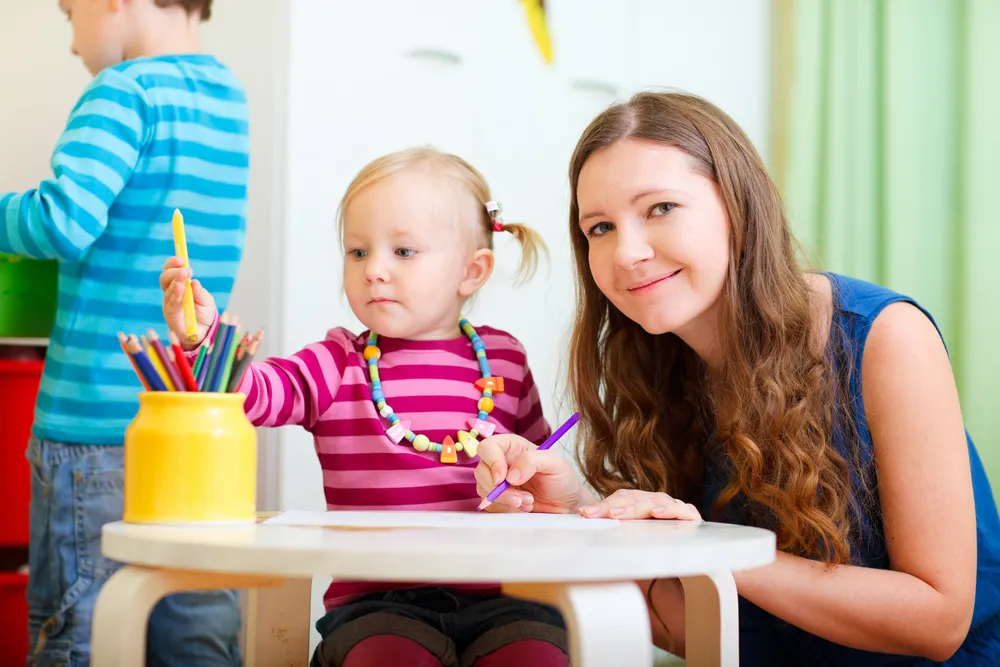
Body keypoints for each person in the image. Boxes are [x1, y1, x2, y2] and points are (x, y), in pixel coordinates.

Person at [473, 91, 1000, 665]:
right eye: (599, 227)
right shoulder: (655, 373)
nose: (627, 252)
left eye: (660, 208)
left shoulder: (885, 337)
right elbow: (695, 629)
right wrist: (576, 514)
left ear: (738, 206)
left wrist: (709, 548)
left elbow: (940, 619)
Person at [160, 147, 570, 667]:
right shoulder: (338, 360)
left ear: (472, 271)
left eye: (403, 252)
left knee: (537, 658)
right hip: (377, 606)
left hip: (506, 600)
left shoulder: (505, 360)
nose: (373, 270)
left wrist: (536, 481)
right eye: (357, 252)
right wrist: (204, 339)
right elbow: (254, 396)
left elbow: (542, 470)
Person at [1, 0, 249, 664]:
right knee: (194, 633)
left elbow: (64, 220)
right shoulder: (228, 97)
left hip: (93, 435)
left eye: (68, 12)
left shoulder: (123, 90)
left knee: (79, 633)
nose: (72, 37)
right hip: (195, 431)